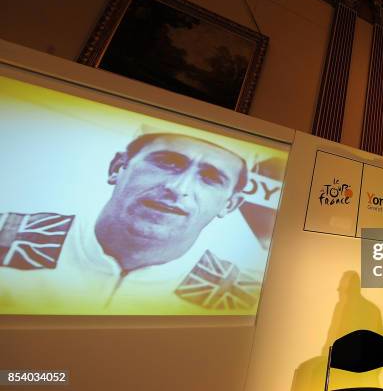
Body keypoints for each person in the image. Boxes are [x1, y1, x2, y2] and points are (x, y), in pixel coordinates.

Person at [0, 132, 262, 314]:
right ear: (117, 168)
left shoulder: (244, 297)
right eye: (167, 163)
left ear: (229, 204)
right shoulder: (5, 239)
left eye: (210, 178)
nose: (177, 188)